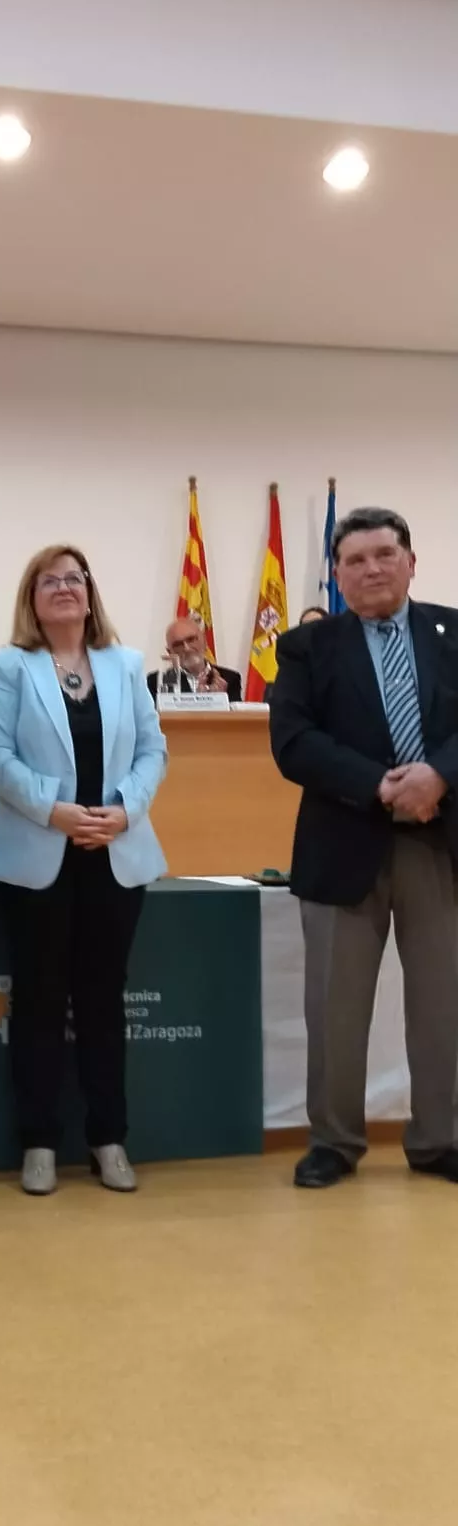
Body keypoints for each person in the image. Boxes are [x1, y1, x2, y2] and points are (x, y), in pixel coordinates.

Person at [270, 505, 458, 1188]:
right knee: (336, 1007)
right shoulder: (306, 649)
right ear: (337, 576)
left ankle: (441, 1139)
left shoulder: (454, 632)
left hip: (440, 845)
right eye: (355, 560)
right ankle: (335, 1141)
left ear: (412, 561)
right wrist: (383, 785)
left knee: (444, 1003)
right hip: (343, 842)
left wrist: (438, 774)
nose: (372, 568)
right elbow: (293, 743)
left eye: (385, 554)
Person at [0, 546, 167, 1195]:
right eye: (49, 580)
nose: (63, 588)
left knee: (103, 1001)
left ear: (90, 593)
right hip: (38, 858)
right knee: (37, 1000)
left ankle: (108, 1138)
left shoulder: (126, 664)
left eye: (74, 579)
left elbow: (151, 750)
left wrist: (123, 809)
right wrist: (53, 810)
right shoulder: (9, 667)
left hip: (114, 853)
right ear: (32, 598)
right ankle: (38, 1142)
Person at [146, 614, 243, 702]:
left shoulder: (229, 678)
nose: (187, 648)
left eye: (191, 640)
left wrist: (220, 700)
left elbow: (238, 720)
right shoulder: (156, 681)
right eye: (178, 645)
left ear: (205, 642)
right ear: (170, 652)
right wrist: (200, 702)